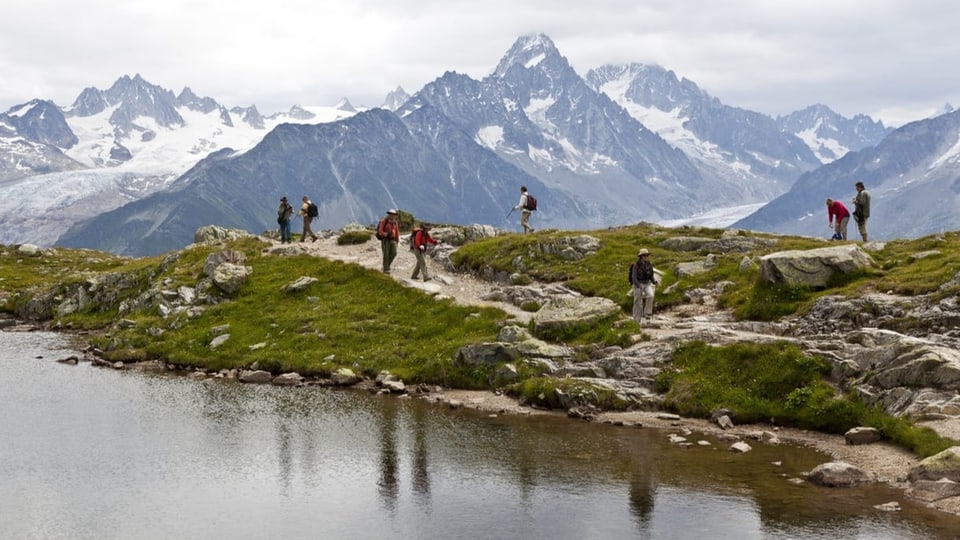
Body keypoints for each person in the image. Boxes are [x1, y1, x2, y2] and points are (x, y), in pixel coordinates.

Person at [628, 248, 659, 323]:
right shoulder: (636, 265)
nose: (646, 257)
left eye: (647, 255)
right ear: (641, 256)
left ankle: (647, 313)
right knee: (637, 301)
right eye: (644, 255)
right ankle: (636, 319)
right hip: (638, 284)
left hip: (647, 283)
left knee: (650, 295)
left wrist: (654, 281)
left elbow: (651, 275)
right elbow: (633, 277)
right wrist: (638, 285)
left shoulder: (649, 264)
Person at [377, 209, 400, 273]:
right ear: (389, 214)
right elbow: (380, 231)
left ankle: (386, 266)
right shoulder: (384, 221)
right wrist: (385, 234)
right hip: (385, 240)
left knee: (394, 253)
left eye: (394, 215)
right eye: (391, 214)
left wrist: (397, 240)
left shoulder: (395, 222)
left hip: (393, 240)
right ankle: (385, 269)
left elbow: (397, 232)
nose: (392, 216)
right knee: (386, 254)